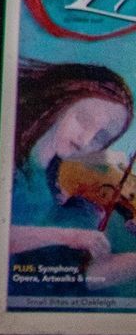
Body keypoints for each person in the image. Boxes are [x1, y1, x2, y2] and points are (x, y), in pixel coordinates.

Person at [8, 59, 136, 295]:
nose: (85, 140)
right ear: (62, 102)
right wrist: (69, 235)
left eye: (100, 137)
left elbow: (76, 275)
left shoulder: (51, 179)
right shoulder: (12, 161)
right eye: (83, 119)